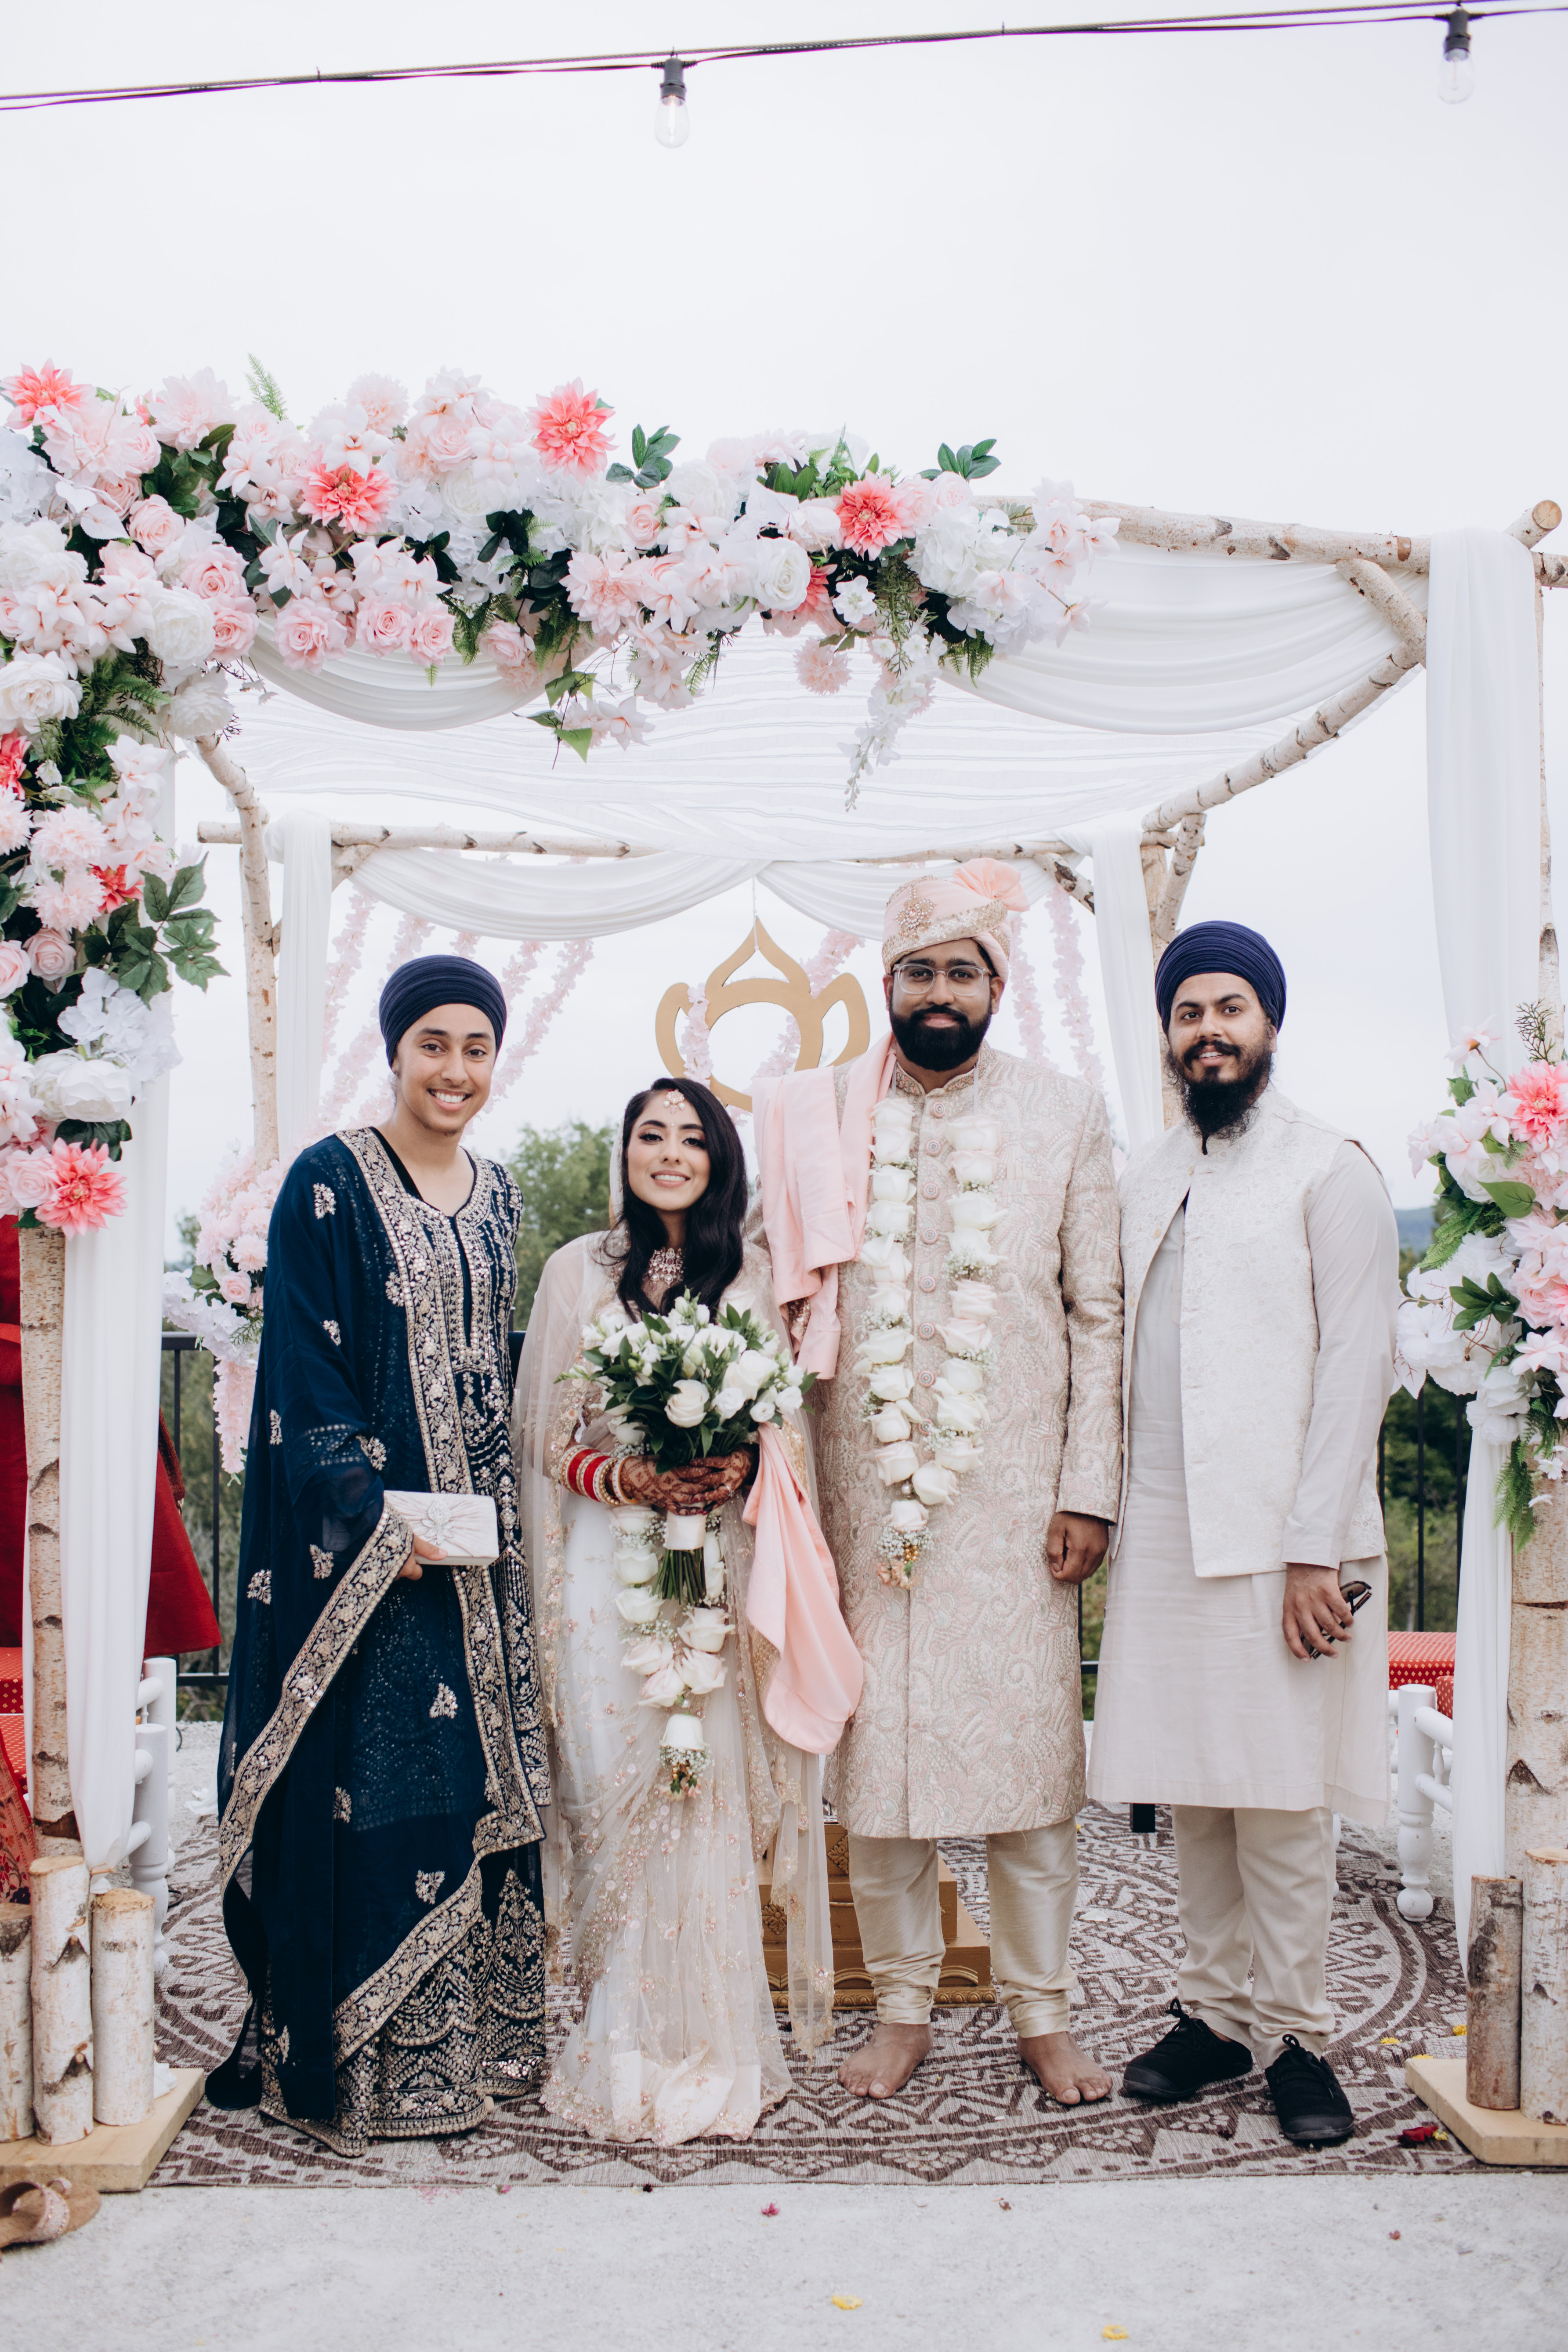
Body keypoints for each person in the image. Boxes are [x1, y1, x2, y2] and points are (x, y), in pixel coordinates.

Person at [753, 860, 1124, 2106]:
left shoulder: (1065, 1113)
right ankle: (902, 2010)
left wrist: (1089, 1486)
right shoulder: (816, 1113)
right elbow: (762, 1276)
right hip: (858, 1495)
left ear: (997, 986)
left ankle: (1043, 2014)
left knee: (1030, 1771)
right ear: (886, 981)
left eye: (963, 971)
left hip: (1015, 1498)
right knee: (882, 1775)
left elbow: (1099, 1312)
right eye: (918, 971)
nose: (939, 992)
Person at [214, 955, 550, 2156]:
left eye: (476, 1047)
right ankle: (366, 2065)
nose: (455, 1070)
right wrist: (367, 1515)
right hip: (371, 1563)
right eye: (434, 1045)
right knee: (386, 1779)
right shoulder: (331, 1180)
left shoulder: (502, 1194)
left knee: (476, 1776)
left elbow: (493, 1360)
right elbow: (303, 1364)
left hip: (481, 1553)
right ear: (395, 1051)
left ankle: (477, 2050)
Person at [1089, 920, 1398, 2148]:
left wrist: (1314, 1550)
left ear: (1269, 1023)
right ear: (1167, 1035)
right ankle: (1213, 2015)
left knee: (1280, 1802)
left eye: (1230, 1008)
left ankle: (1298, 2035)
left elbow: (1358, 1367)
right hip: (1166, 1532)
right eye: (1188, 1013)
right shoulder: (1148, 1173)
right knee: (1199, 1791)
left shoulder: (1333, 1169)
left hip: (1286, 1543)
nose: (1208, 1031)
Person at [514, 1076, 835, 2145]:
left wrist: (739, 1462)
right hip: (603, 1573)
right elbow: (543, 1438)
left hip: (718, 1566)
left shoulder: (751, 1275)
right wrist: (629, 1478)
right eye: (650, 1134)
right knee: (615, 1789)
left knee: (705, 1797)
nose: (668, 1153)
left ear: (718, 1159)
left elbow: (785, 1428)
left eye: (691, 1138)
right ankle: (622, 2044)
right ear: (626, 1153)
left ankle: (716, 2043)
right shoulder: (577, 1270)